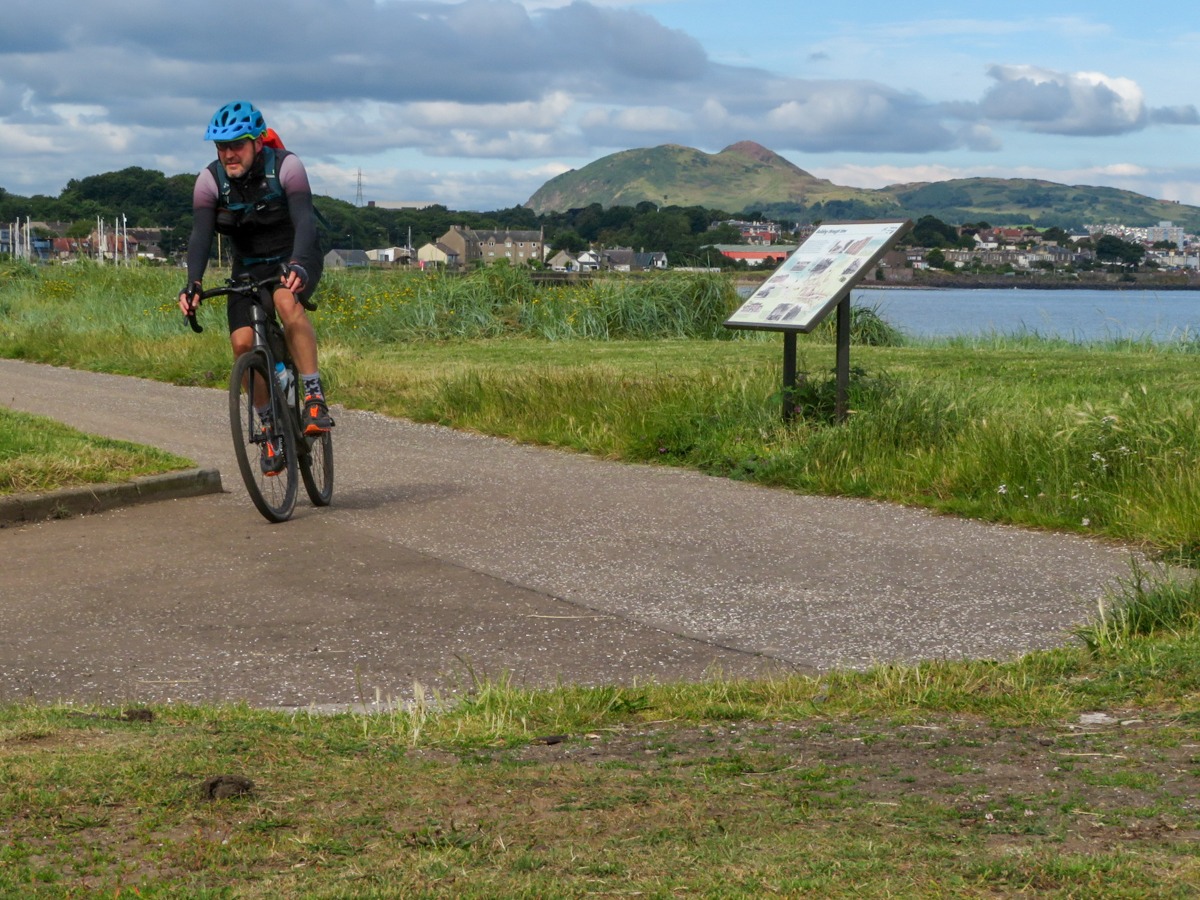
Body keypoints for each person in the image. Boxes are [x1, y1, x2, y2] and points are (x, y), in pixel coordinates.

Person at [178, 100, 333, 469]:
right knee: (242, 343)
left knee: (284, 301)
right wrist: (193, 283)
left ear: (257, 143)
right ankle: (268, 430)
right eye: (221, 147)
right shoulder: (209, 180)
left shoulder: (287, 167)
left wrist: (299, 263)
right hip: (247, 267)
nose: (229, 154)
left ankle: (313, 395)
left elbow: (305, 220)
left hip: (295, 255)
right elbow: (200, 236)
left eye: (237, 145)